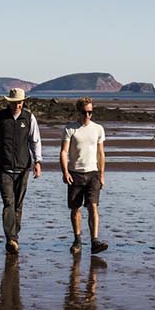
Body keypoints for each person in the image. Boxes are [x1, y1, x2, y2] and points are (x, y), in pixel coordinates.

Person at [0, 88, 43, 253]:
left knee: (18, 205)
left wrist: (38, 161)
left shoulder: (29, 118)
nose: (17, 105)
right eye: (14, 102)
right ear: (9, 102)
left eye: (19, 102)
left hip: (23, 167)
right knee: (8, 203)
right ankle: (11, 238)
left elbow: (35, 141)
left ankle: (14, 234)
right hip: (4, 167)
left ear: (23, 102)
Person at [60, 97, 108, 254]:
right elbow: (64, 152)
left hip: (93, 173)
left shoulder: (98, 129)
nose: (88, 115)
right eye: (85, 112)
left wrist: (102, 174)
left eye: (90, 112)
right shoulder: (70, 129)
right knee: (75, 208)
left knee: (93, 206)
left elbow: (101, 153)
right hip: (75, 173)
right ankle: (77, 240)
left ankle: (94, 241)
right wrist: (65, 171)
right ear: (79, 112)